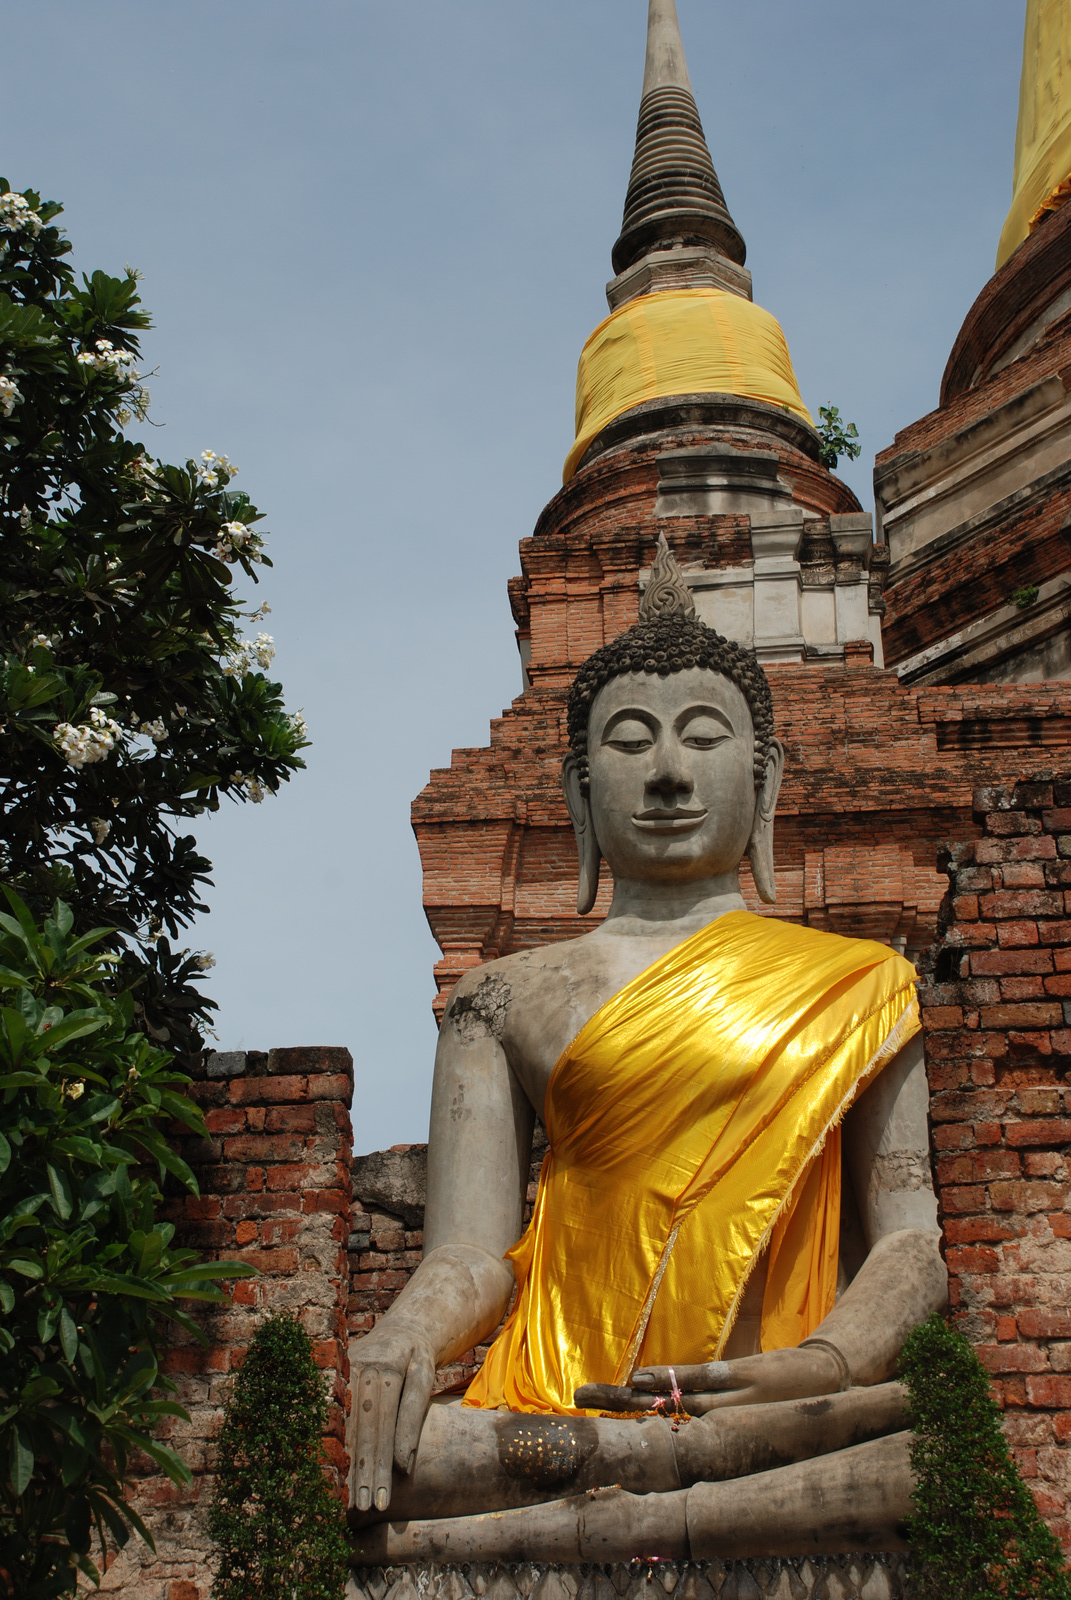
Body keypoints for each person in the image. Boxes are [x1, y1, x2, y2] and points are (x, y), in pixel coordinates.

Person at [350, 538, 946, 1560]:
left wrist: (823, 1364)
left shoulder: (861, 985)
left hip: (781, 1412)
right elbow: (472, 1251)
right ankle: (653, 1492)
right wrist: (404, 1334)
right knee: (406, 1457)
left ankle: (642, 1497)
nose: (668, 774)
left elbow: (909, 1239)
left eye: (702, 737)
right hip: (555, 1411)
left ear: (765, 781)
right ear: (581, 794)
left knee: (922, 1451)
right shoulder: (501, 997)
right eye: (631, 742)